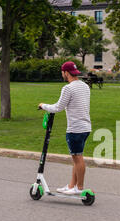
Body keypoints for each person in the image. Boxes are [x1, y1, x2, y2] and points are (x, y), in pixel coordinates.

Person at [38, 61, 91, 195]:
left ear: (66, 73)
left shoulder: (68, 88)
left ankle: (79, 188)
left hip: (75, 129)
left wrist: (43, 105)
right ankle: (71, 185)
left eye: (62, 72)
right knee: (77, 157)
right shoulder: (85, 86)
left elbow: (57, 108)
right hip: (86, 127)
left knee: (77, 158)